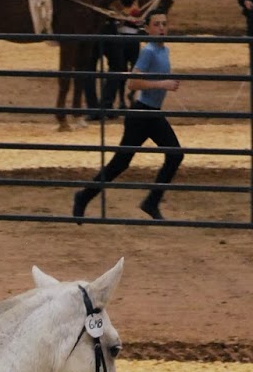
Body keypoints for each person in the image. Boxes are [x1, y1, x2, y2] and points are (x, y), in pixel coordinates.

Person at [71, 11, 183, 223]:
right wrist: (162, 84)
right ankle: (83, 196)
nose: (161, 28)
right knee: (120, 163)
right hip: (141, 114)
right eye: (156, 24)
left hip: (152, 114)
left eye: (164, 24)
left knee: (175, 155)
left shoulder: (164, 50)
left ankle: (151, 201)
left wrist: (167, 83)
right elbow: (133, 82)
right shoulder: (149, 51)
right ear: (148, 29)